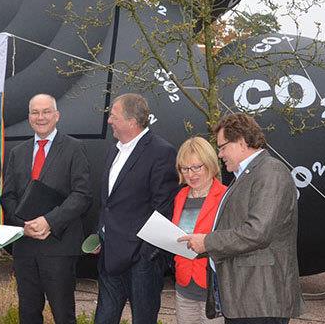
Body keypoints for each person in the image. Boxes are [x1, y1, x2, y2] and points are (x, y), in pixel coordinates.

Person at [179, 113, 303, 324]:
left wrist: (207, 242)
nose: (220, 154)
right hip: (246, 299)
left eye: (223, 147)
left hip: (261, 299)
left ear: (242, 142)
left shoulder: (270, 172)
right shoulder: (247, 175)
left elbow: (258, 232)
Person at [1, 94, 92, 324]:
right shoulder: (17, 152)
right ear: (29, 117)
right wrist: (24, 225)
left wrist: (49, 221)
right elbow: (8, 196)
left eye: (46, 111)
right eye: (35, 112)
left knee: (63, 315)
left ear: (57, 115)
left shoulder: (74, 148)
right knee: (28, 314)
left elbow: (82, 195)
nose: (40, 117)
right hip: (25, 246)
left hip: (59, 246)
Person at [95, 93, 179, 324]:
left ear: (131, 121)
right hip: (110, 256)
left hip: (141, 262)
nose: (109, 120)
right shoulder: (114, 150)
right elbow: (109, 202)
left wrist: (146, 255)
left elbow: (162, 208)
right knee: (103, 319)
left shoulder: (161, 152)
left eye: (113, 115)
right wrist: (100, 233)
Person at [170, 137, 226, 324]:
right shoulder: (180, 196)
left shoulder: (226, 196)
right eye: (185, 169)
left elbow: (231, 240)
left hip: (214, 288)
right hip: (184, 285)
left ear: (210, 164)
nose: (191, 174)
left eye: (196, 167)